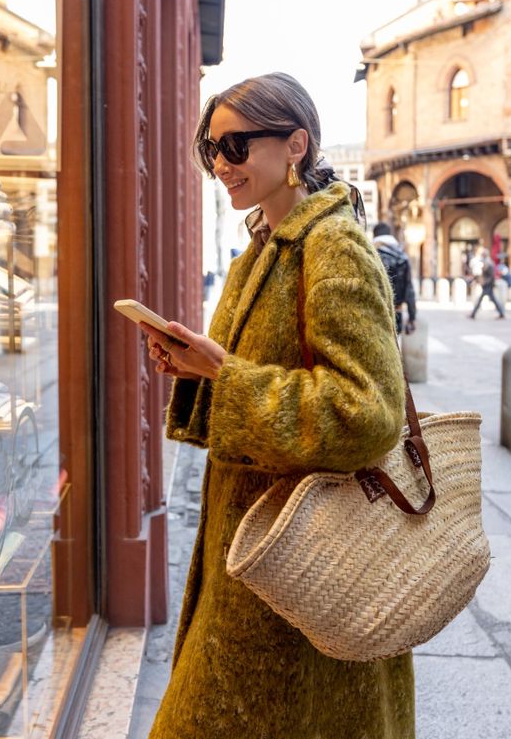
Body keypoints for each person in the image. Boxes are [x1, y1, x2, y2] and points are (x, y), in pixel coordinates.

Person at [138, 73, 414, 738]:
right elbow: (248, 379)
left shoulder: (333, 245)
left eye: (235, 146)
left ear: (295, 145)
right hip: (255, 573)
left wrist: (226, 377)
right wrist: (196, 371)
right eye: (211, 151)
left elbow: (369, 411)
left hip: (309, 574)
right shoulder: (258, 250)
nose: (220, 166)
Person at [372, 222, 417, 335]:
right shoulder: (403, 257)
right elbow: (409, 290)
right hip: (397, 312)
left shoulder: (371, 255)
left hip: (373, 315)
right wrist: (412, 317)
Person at [469, 247, 506, 319]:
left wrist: (485, 282)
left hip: (488, 285)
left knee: (482, 299)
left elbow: (491, 275)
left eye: (483, 254)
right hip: (487, 284)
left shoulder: (488, 263)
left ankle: (473, 314)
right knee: (492, 299)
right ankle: (501, 313)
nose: (482, 255)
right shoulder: (486, 262)